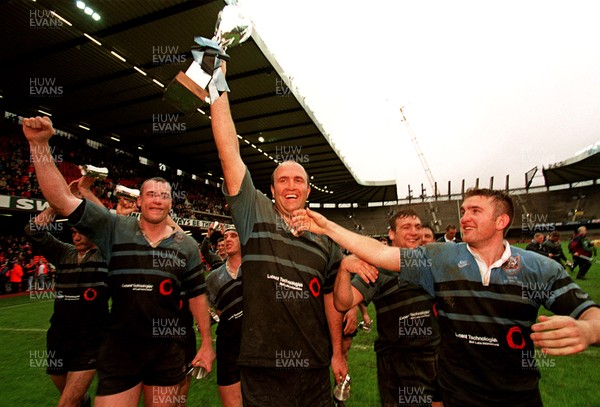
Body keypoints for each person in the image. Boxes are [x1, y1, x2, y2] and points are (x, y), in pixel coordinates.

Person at [293, 188, 600, 407]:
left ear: (501, 221)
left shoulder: (537, 267)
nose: (464, 217)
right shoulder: (439, 258)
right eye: (463, 210)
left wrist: (587, 330)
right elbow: (381, 253)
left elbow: (591, 313)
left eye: (475, 211)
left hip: (518, 396)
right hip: (456, 395)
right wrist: (329, 228)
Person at [22, 116, 215, 407]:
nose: (157, 200)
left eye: (164, 196)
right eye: (150, 194)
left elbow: (198, 296)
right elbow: (61, 199)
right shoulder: (114, 229)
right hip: (120, 350)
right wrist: (39, 145)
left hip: (167, 351)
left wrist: (207, 345)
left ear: (171, 204)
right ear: (139, 201)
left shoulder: (185, 245)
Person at [210, 74, 346, 406]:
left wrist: (338, 353)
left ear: (308, 190)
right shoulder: (253, 214)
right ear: (271, 190)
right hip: (262, 365)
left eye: (298, 180)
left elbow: (331, 301)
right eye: (282, 180)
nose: (290, 186)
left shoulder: (326, 240)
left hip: (313, 365)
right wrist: (217, 84)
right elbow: (230, 152)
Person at [336, 208, 441, 407]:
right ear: (391, 234)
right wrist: (344, 269)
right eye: (406, 227)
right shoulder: (378, 267)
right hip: (398, 362)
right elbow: (344, 301)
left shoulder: (432, 261)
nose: (414, 232)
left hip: (436, 355)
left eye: (418, 227)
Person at [25, 205, 109, 407]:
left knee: (66, 403)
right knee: (73, 396)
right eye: (73, 232)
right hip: (59, 335)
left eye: (82, 232)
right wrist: (54, 206)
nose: (77, 237)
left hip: (91, 338)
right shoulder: (63, 252)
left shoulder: (107, 256)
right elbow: (32, 230)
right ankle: (85, 401)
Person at [206, 226, 243, 407]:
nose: (227, 239)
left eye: (233, 236)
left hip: (257, 343)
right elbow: (217, 311)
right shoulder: (213, 278)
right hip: (228, 347)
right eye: (225, 236)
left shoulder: (256, 268)